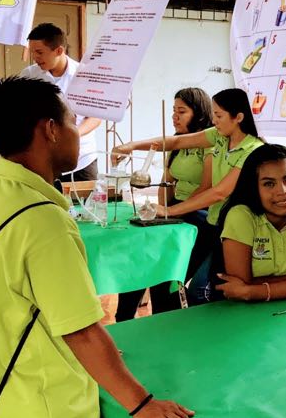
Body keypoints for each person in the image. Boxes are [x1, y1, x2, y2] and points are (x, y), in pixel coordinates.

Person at [0, 77, 194, 418]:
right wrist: (142, 405)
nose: (79, 130)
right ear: (49, 130)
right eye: (70, 119)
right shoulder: (41, 222)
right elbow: (80, 329)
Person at [112, 88, 263, 302]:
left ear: (238, 117)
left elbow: (219, 192)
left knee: (203, 289)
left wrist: (169, 210)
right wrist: (132, 146)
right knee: (172, 279)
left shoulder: (252, 149)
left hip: (236, 229)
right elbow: (176, 142)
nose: (214, 120)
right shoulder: (220, 137)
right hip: (214, 222)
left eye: (219, 116)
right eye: (213, 115)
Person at [115, 88, 214, 321]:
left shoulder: (209, 143)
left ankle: (164, 321)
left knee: (165, 270)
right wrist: (161, 213)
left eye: (182, 111)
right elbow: (166, 183)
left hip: (201, 213)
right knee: (139, 256)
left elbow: (206, 189)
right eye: (173, 111)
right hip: (177, 212)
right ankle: (124, 319)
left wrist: (172, 212)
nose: (175, 116)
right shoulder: (176, 146)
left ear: (199, 113)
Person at [213, 144, 286, 301]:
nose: (283, 191)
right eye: (269, 183)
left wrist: (250, 291)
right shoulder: (240, 215)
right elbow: (239, 284)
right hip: (243, 312)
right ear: (253, 188)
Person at [19, 23, 101, 182]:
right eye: (33, 52)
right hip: (42, 161)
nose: (35, 57)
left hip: (82, 160)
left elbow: (96, 117)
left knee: (84, 204)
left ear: (59, 51)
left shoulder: (85, 75)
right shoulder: (29, 76)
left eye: (39, 52)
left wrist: (73, 134)